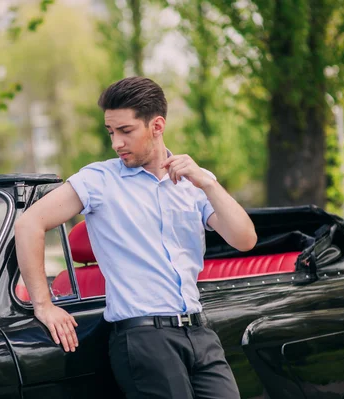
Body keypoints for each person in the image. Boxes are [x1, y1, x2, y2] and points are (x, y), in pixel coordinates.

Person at [15, 76, 257, 399]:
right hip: (144, 340)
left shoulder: (192, 183)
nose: (116, 143)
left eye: (125, 131)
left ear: (157, 126)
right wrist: (43, 305)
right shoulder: (100, 180)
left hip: (200, 333)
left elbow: (245, 239)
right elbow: (29, 223)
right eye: (111, 132)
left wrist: (208, 184)